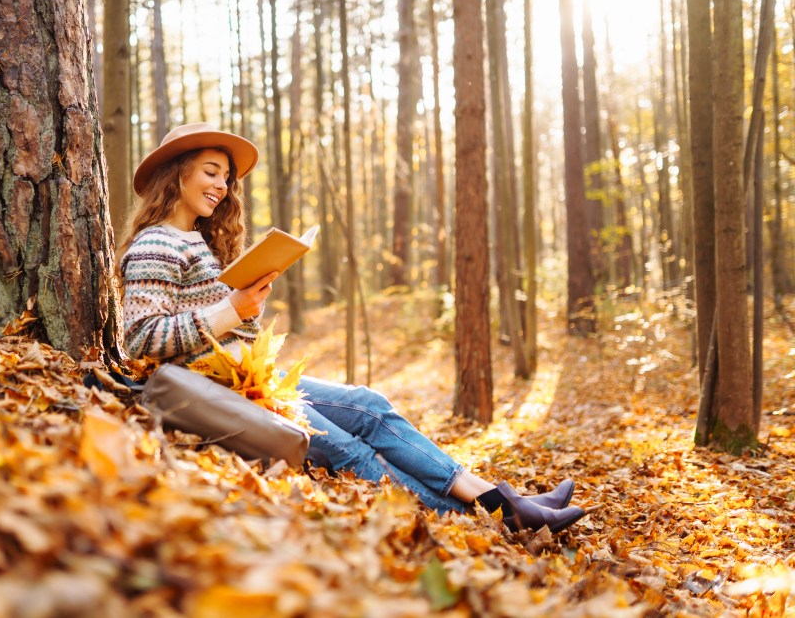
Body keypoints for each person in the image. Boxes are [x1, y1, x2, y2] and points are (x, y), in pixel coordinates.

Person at [117, 123, 586, 534]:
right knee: (348, 449)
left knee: (371, 406)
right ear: (176, 172)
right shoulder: (155, 242)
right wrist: (233, 309)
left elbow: (220, 319)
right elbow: (141, 338)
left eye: (225, 176)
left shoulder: (194, 240)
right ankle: (488, 521)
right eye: (209, 171)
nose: (221, 185)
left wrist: (246, 300)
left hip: (249, 379)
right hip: (218, 390)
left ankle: (499, 501)